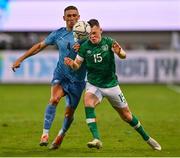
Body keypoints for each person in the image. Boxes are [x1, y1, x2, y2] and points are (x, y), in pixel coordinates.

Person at [64, 19, 162, 150]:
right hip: (94, 84)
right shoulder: (84, 47)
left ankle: (147, 138)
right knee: (88, 102)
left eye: (94, 33)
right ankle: (96, 138)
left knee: (127, 116)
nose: (92, 36)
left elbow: (123, 55)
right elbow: (77, 65)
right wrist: (72, 64)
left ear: (100, 30)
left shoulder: (108, 42)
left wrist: (119, 52)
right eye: (90, 34)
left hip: (111, 85)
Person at [11, 6, 86, 150]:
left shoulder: (85, 37)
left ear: (78, 17)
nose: (71, 18)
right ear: (64, 18)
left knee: (69, 113)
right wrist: (21, 59)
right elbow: (39, 46)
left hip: (77, 80)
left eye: (74, 15)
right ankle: (45, 134)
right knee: (54, 99)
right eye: (68, 16)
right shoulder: (58, 34)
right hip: (61, 75)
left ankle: (61, 134)